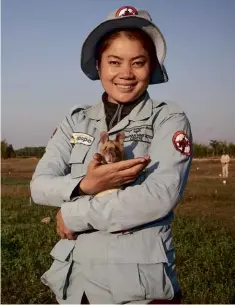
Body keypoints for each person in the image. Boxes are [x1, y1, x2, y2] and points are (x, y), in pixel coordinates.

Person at [30, 5, 193, 304]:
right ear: (99, 65)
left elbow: (159, 195)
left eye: (138, 62)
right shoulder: (74, 120)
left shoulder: (168, 118)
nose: (126, 74)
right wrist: (86, 185)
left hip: (138, 287)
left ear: (152, 66)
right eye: (114, 62)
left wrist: (73, 212)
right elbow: (40, 185)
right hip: (75, 285)